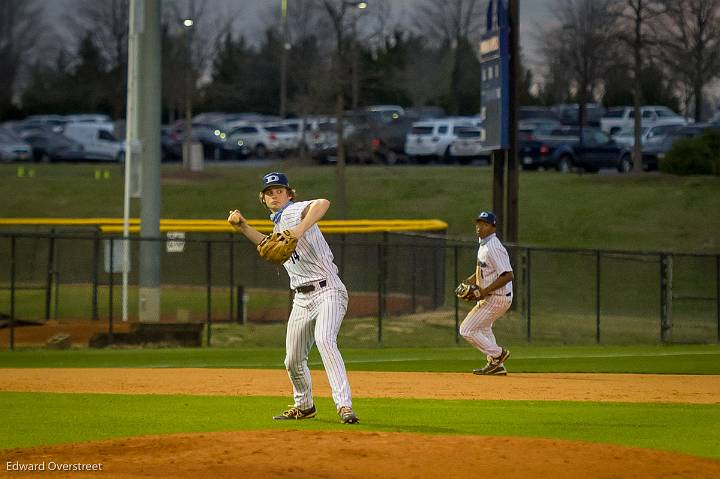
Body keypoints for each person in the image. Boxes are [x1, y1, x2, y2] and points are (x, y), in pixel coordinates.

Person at [227, 172, 358, 424]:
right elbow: (268, 246)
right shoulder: (278, 225)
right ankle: (304, 406)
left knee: (325, 340)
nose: (274, 195)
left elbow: (323, 203)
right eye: (269, 192)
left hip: (328, 290)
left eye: (279, 191)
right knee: (293, 359)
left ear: (289, 194)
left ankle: (344, 406)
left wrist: (298, 230)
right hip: (301, 298)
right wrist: (242, 227)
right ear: (263, 199)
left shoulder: (294, 211)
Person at [458, 211, 514, 375]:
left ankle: (498, 354)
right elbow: (484, 270)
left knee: (466, 330)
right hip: (494, 297)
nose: (480, 227)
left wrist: (483, 292)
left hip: (497, 298)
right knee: (483, 328)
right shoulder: (484, 245)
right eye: (478, 223)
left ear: (493, 227)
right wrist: (469, 281)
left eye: (484, 224)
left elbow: (508, 274)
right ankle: (497, 366)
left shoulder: (493, 247)